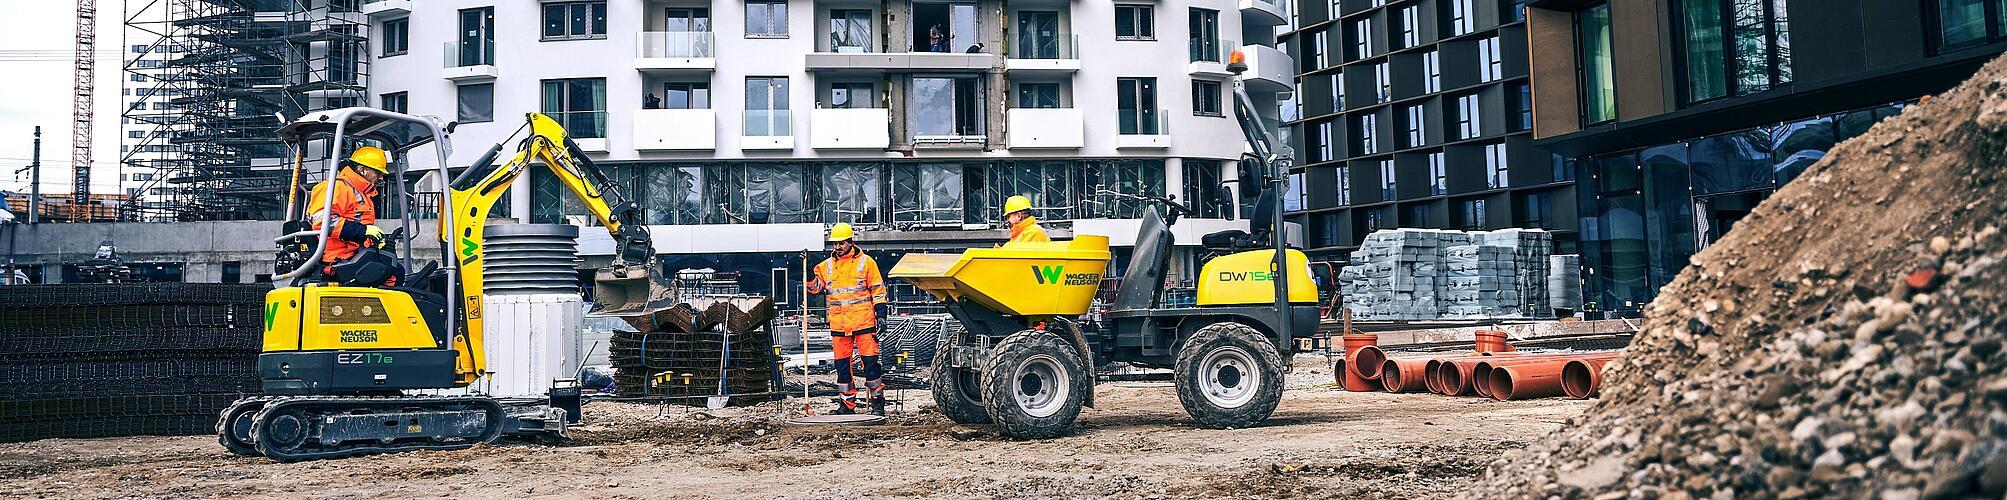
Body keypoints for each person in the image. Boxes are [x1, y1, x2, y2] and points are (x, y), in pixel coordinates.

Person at [806, 223, 891, 415]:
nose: (837, 247)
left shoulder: (867, 262)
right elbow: (814, 288)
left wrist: (881, 315)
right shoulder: (825, 266)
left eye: (841, 243)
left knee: (871, 366)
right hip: (839, 325)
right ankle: (847, 405)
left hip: (864, 323)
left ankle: (878, 402)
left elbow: (878, 291)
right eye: (835, 243)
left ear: (851, 242)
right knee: (842, 368)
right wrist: (806, 269)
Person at [306, 146, 390, 276]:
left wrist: (374, 240)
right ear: (363, 170)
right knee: (392, 273)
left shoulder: (360, 192)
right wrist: (363, 231)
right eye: (378, 173)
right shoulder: (336, 187)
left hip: (353, 253)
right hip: (338, 257)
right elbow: (322, 221)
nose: (381, 179)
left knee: (391, 264)